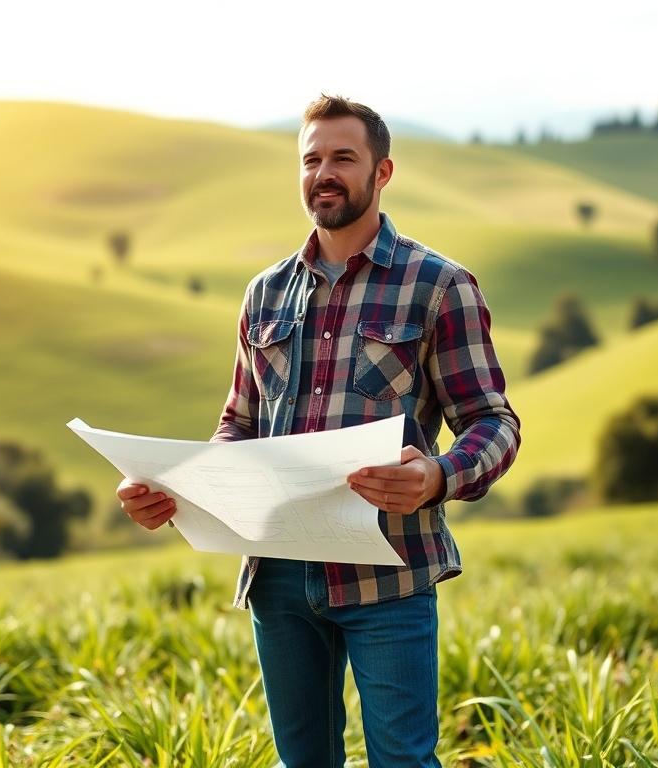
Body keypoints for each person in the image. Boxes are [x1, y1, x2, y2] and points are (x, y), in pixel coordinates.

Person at [117, 94, 520, 768]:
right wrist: (176, 490)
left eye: (342, 158)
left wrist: (435, 477)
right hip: (277, 576)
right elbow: (238, 425)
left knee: (402, 761)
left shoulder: (439, 286)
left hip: (388, 576)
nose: (323, 173)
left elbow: (492, 423)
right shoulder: (265, 294)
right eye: (311, 159)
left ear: (382, 172)